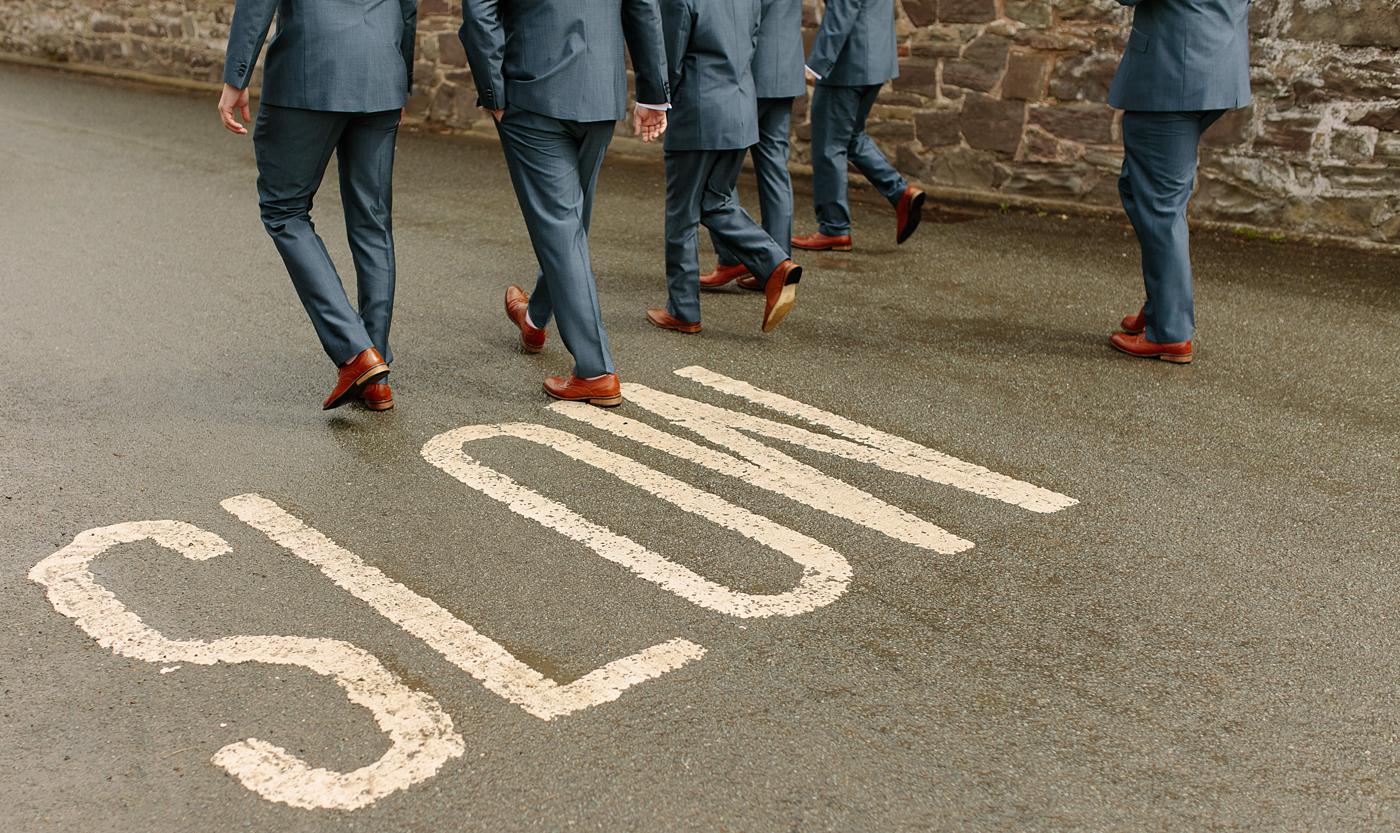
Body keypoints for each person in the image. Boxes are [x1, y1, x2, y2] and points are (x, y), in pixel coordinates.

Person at [460, 0, 670, 408]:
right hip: (599, 92)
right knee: (570, 222)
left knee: (560, 226)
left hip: (534, 92)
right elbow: (643, 6)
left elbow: (480, 10)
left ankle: (595, 371)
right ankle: (535, 318)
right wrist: (651, 94)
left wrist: (493, 93)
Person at [217, 0, 418, 411]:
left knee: (284, 210)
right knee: (372, 220)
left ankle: (358, 353)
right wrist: (401, 78)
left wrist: (236, 78)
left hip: (308, 74)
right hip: (380, 70)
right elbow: (408, 7)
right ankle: (374, 374)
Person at [1107, 0, 1251, 364]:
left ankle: (1169, 333)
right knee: (1139, 187)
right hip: (1218, 62)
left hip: (1172, 71)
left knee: (1159, 203)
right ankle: (1161, 303)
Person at [648, 0, 804, 336]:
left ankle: (683, 310)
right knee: (715, 201)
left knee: (682, 211)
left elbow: (670, 57)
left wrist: (658, 102)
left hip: (697, 110)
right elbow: (750, 41)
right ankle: (776, 263)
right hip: (740, 108)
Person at [794, 0, 925, 253]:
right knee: (852, 137)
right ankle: (901, 194)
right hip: (874, 60)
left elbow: (844, 9)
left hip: (848, 64)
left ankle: (834, 228)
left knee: (829, 145)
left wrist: (816, 64)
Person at [698, 0, 805, 292]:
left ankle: (735, 256)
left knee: (717, 171)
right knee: (774, 168)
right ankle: (775, 263)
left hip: (752, 73)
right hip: (786, 70)